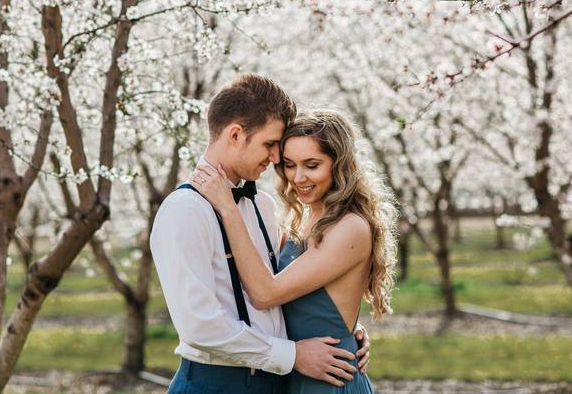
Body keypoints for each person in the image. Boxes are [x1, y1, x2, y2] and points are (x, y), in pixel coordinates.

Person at [150, 75, 370, 394]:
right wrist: (292, 355)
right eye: (270, 145)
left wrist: (344, 328)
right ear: (236, 134)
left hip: (281, 380)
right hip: (218, 383)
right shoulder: (184, 210)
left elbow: (284, 290)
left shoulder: (263, 206)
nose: (276, 159)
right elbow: (200, 325)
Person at [191, 109, 397, 394]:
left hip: (327, 382)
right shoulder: (301, 220)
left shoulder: (350, 227)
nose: (298, 177)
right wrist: (348, 326)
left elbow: (266, 293)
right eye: (289, 165)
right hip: (297, 374)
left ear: (340, 164)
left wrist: (228, 208)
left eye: (312, 165)